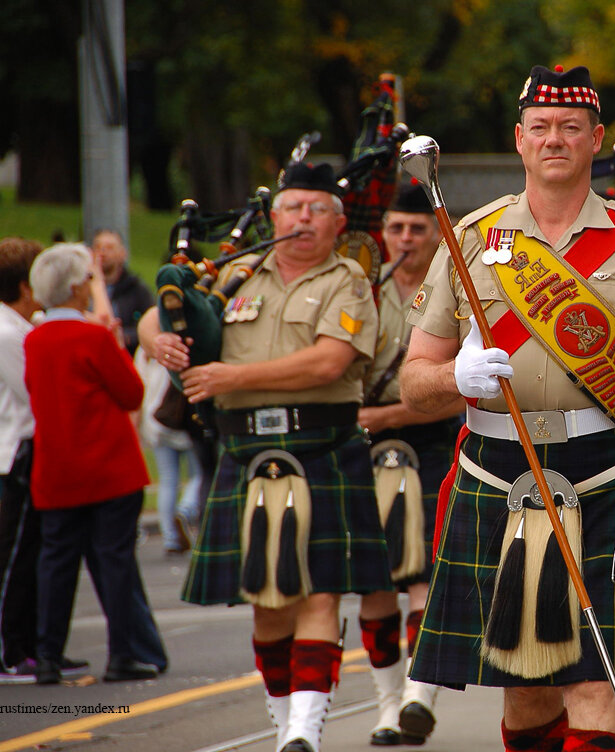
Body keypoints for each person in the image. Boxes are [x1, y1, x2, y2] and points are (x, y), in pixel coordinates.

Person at [400, 64, 615, 752]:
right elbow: (412, 380)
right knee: (526, 690)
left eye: (570, 128)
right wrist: (454, 376)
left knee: (594, 681)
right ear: (520, 140)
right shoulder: (470, 238)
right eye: (541, 127)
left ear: (596, 140)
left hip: (607, 474)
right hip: (496, 471)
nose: (554, 139)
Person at [143, 162, 395, 752]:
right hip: (246, 449)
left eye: (316, 209)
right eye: (292, 206)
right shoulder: (235, 274)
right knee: (267, 602)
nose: (302, 218)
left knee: (320, 592)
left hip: (322, 448)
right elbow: (160, 308)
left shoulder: (348, 282)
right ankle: (285, 723)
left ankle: (304, 730)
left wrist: (235, 374)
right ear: (273, 215)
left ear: (337, 223)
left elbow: (329, 363)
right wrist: (153, 335)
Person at [358, 182, 463, 746]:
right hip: (369, 449)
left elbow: (458, 390)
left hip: (436, 440)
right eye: (396, 228)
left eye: (417, 229)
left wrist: (386, 413)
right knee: (376, 581)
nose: (405, 238)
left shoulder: (457, 285)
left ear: (436, 233)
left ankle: (420, 694)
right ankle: (387, 705)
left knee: (425, 573)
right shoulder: (364, 290)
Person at [24, 243, 157, 685]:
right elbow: (131, 393)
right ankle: (123, 653)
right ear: (78, 288)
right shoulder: (94, 336)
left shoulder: (34, 340)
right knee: (114, 561)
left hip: (56, 468)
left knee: (56, 562)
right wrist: (117, 346)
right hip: (108, 466)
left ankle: (47, 655)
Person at [0, 238, 93, 684]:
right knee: (14, 558)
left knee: (33, 554)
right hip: (12, 455)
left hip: (23, 453)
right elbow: (35, 391)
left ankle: (34, 645)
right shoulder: (9, 334)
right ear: (24, 286)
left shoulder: (20, 325)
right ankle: (9, 650)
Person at [135, 347, 202, 555]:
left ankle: (171, 538)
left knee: (167, 480)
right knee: (199, 473)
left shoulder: (144, 351)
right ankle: (186, 509)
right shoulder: (176, 348)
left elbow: (138, 385)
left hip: (155, 423)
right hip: (180, 422)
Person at [90, 229, 155, 356]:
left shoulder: (136, 289)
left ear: (122, 254)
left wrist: (125, 337)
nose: (102, 252)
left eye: (109, 247)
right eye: (98, 247)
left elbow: (149, 324)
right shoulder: (82, 288)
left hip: (124, 354)